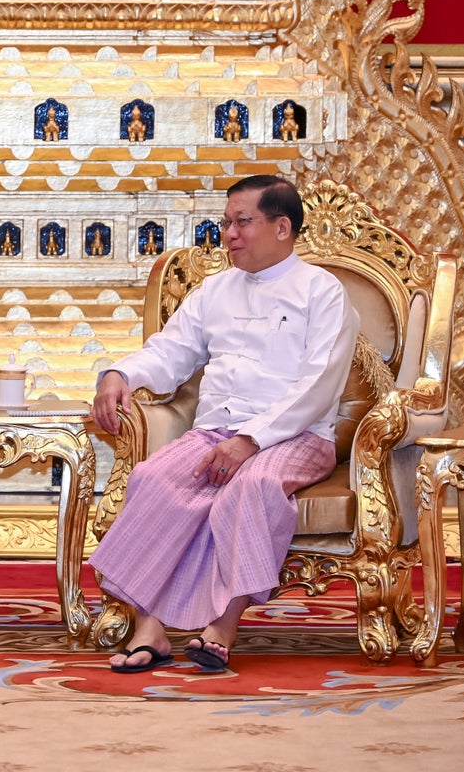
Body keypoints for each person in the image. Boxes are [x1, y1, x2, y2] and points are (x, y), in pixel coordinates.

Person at [89, 175, 359, 673]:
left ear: (282, 227)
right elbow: (169, 353)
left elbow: (319, 384)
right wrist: (119, 374)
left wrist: (251, 440)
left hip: (295, 435)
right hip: (215, 432)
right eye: (225, 223)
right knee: (152, 477)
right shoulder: (214, 290)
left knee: (252, 486)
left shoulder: (322, 292)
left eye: (242, 222)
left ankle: (223, 626)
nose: (229, 234)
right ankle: (152, 631)